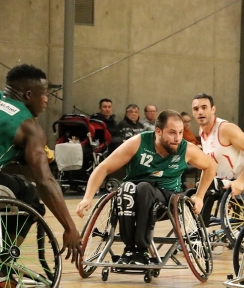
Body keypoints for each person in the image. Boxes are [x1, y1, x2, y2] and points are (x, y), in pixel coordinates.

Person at [76, 110, 216, 265]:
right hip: (131, 194)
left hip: (166, 198)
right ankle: (129, 249)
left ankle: (141, 249)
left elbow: (210, 166)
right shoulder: (138, 142)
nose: (177, 138)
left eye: (180, 132)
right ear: (158, 131)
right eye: (171, 133)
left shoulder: (186, 149)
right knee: (127, 187)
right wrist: (87, 197)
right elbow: (104, 167)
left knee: (143, 187)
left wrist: (200, 196)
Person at [0, 64, 81, 274]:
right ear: (28, 94)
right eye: (45, 94)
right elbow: (45, 181)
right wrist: (69, 226)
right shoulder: (29, 128)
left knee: (12, 185)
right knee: (30, 195)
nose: (46, 100)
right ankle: (3, 263)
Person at [191, 93, 244, 224]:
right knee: (197, 188)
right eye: (196, 109)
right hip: (223, 182)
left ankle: (199, 230)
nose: (200, 111)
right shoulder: (202, 132)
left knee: (206, 186)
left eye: (204, 107)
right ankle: (200, 228)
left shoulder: (226, 129)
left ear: (213, 109)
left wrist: (240, 180)